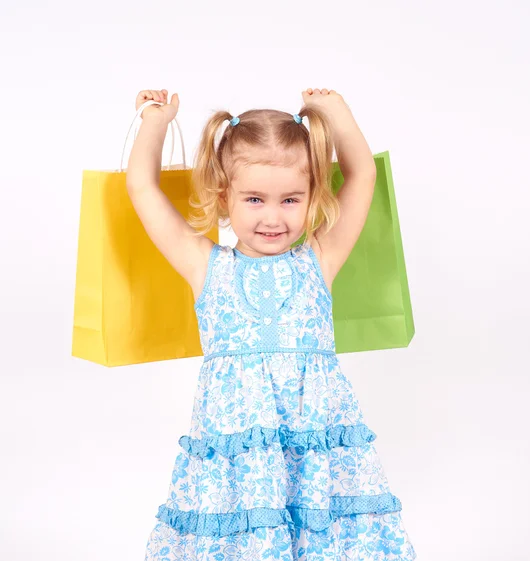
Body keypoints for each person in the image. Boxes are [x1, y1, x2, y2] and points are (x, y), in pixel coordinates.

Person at [127, 88, 416, 560]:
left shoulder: (320, 258)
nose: (273, 217)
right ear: (225, 196)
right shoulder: (206, 266)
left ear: (313, 196)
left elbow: (363, 175)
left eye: (290, 199)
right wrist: (155, 124)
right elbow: (142, 188)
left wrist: (337, 116)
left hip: (313, 451)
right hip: (239, 466)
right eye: (255, 199)